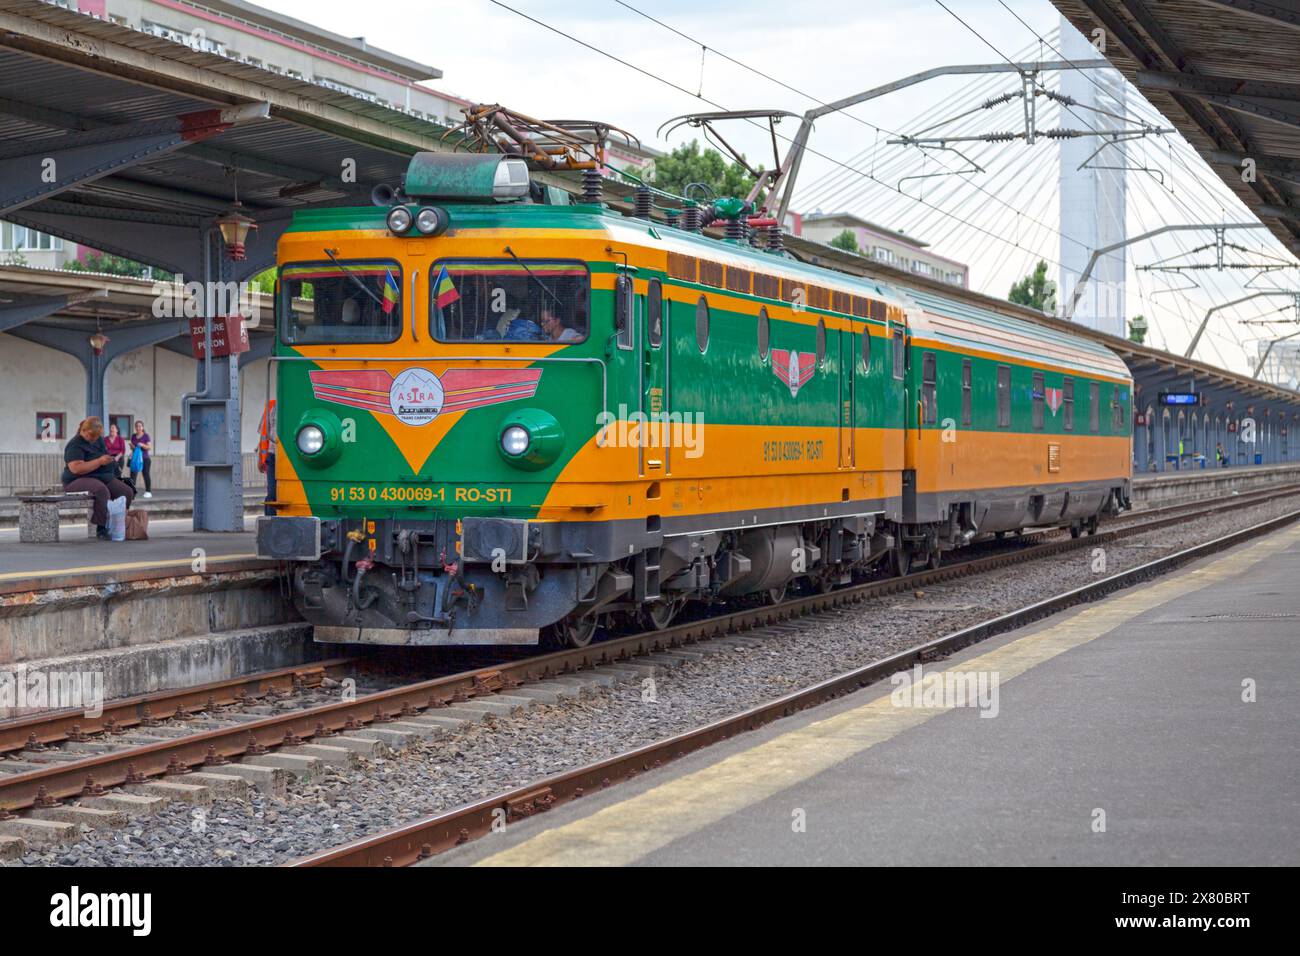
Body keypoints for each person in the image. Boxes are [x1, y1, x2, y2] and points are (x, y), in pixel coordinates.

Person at [63, 416, 134, 540]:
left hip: (99, 476)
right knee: (101, 491)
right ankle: (101, 528)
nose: (93, 439)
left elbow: (102, 455)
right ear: (84, 430)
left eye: (96, 437)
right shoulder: (74, 445)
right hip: (75, 480)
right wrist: (99, 461)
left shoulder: (98, 440)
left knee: (126, 491)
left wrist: (108, 461)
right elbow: (76, 469)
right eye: (91, 436)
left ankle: (119, 524)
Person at [130, 420, 153, 498]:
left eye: (140, 426)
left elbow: (149, 447)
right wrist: (132, 446)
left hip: (145, 458)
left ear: (142, 427)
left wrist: (142, 445)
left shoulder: (146, 436)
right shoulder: (133, 436)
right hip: (135, 459)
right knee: (133, 475)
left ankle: (148, 491)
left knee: (146, 474)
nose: (138, 428)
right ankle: (132, 491)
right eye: (136, 426)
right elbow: (133, 448)